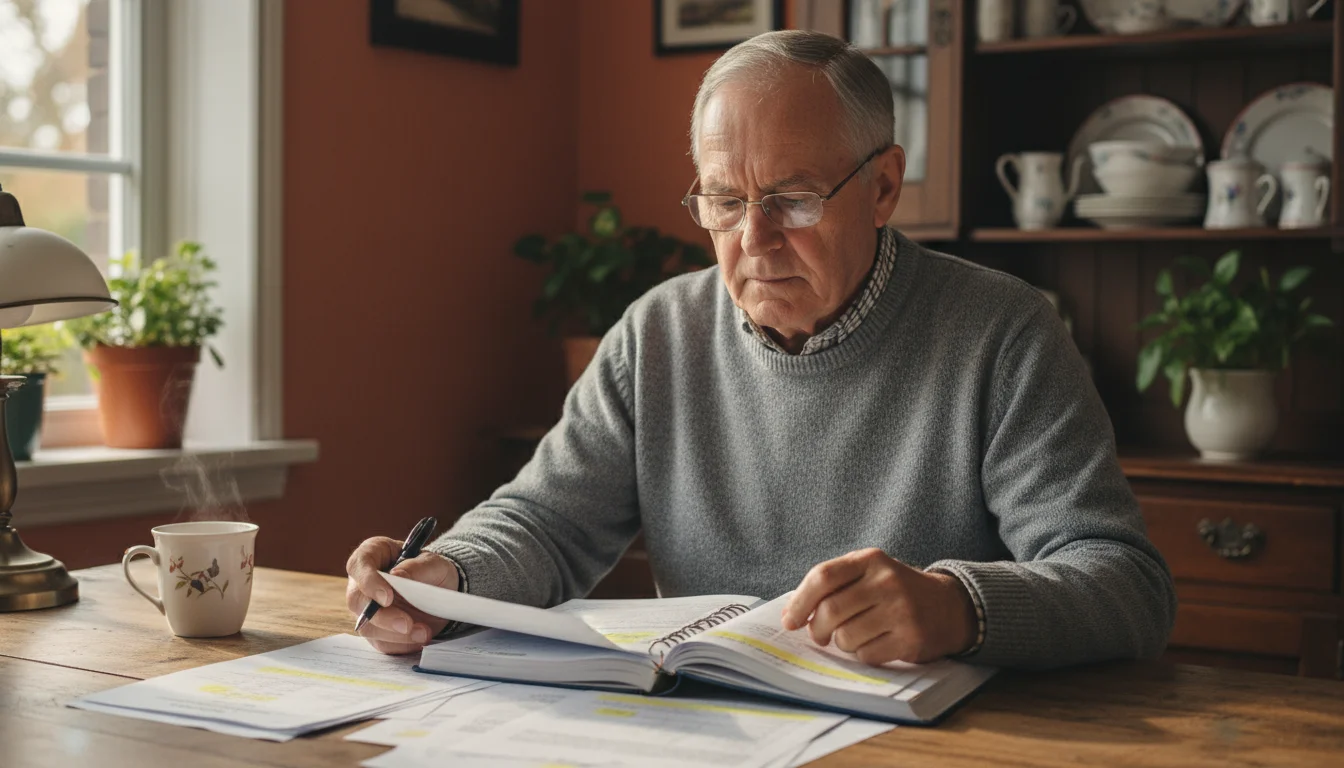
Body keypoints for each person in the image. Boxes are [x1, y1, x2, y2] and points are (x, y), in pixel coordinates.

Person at [346, 30, 1176, 668]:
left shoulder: (1004, 334)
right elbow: (547, 521)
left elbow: (1125, 583)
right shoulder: (657, 333)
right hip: (712, 734)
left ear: (884, 186)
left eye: (794, 198)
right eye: (723, 199)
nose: (755, 239)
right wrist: (451, 576)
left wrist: (959, 606)